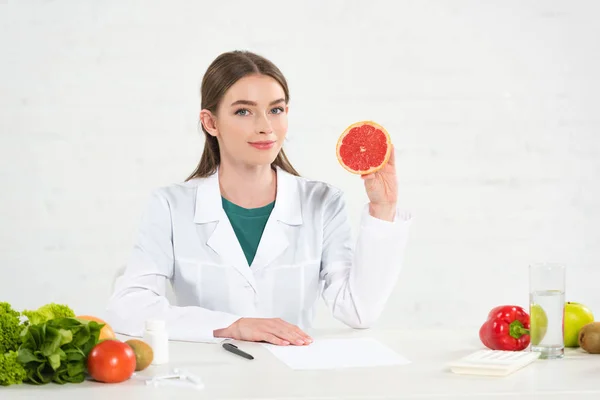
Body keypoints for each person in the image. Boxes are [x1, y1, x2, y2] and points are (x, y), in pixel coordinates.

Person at [105, 50, 412, 346]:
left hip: (292, 379)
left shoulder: (323, 202)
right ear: (210, 123)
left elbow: (359, 311)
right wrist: (234, 326)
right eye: (243, 111)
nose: (266, 127)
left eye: (275, 110)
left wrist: (383, 209)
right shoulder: (171, 205)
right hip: (209, 377)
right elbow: (129, 306)